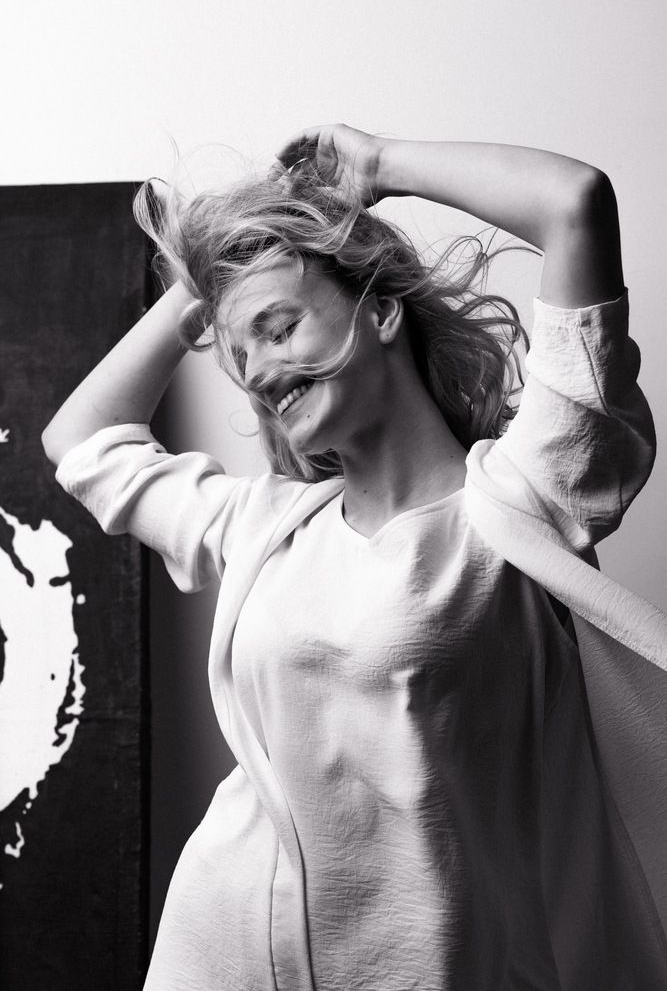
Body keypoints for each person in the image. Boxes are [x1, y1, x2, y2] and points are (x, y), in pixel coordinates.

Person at [42, 125, 667, 990]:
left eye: (278, 328)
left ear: (379, 312)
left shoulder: (527, 494)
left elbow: (574, 203)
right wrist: (207, 283)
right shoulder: (264, 527)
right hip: (225, 962)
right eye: (239, 356)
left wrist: (376, 168)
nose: (258, 372)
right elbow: (80, 440)